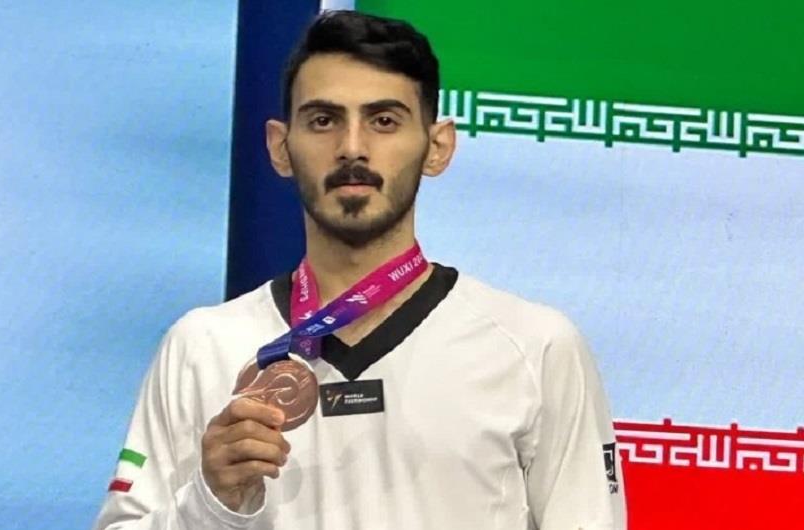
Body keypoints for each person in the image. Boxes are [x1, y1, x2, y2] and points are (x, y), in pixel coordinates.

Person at [94, 10, 626, 530]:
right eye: (323, 120)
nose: (352, 148)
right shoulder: (201, 346)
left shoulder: (536, 346)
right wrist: (211, 502)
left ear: (438, 146)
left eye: (384, 121)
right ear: (280, 147)